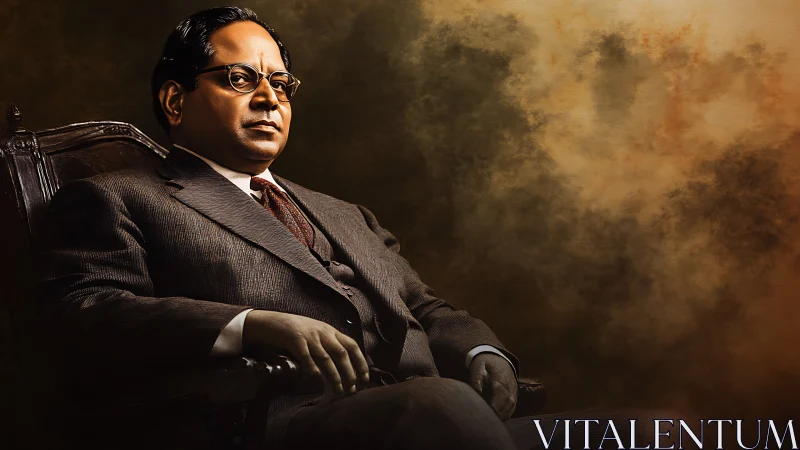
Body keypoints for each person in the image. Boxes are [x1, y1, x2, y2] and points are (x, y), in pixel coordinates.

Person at [38, 6, 681, 450]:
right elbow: (83, 312)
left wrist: (484, 353)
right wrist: (251, 325)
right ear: (176, 100)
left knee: (656, 432)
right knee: (438, 404)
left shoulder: (344, 211)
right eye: (239, 79)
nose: (270, 99)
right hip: (277, 423)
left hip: (438, 421)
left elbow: (427, 308)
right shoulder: (117, 197)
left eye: (282, 84)